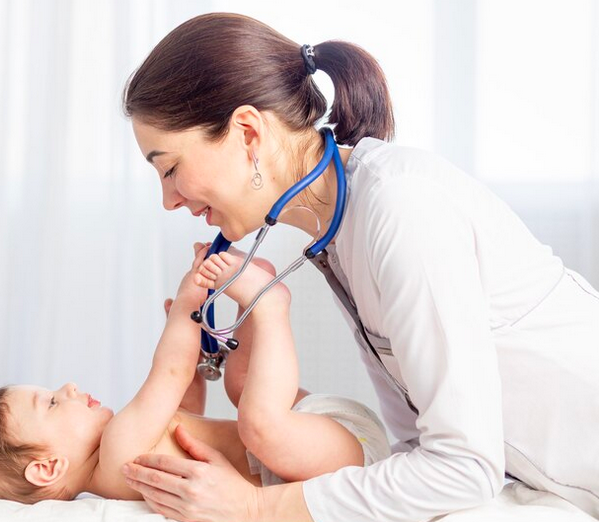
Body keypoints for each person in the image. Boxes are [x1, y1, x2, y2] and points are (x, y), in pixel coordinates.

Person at [120, 11, 599, 522]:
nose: (169, 200)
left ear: (246, 133)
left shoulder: (399, 208)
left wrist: (257, 506)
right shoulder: (339, 231)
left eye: (170, 168)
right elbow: (421, 449)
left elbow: (462, 468)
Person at [0, 243, 390, 504]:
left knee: (246, 395)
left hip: (312, 445)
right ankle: (268, 306)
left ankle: (252, 300)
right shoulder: (119, 448)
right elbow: (172, 370)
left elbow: (183, 406)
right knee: (255, 415)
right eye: (50, 402)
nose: (66, 387)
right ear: (48, 468)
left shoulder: (120, 460)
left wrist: (191, 331)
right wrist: (189, 300)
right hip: (331, 460)